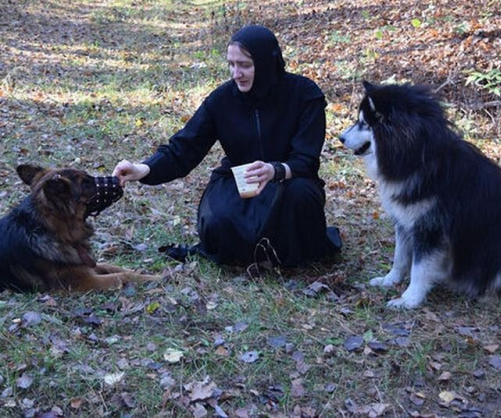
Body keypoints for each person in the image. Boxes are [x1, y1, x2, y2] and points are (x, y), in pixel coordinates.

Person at [113, 25, 341, 268]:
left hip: (290, 179)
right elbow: (184, 147)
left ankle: (277, 253)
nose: (236, 73)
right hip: (239, 181)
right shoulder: (221, 100)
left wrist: (274, 170)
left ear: (266, 63)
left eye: (244, 65)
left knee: (299, 201)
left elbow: (306, 159)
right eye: (231, 64)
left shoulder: (304, 95)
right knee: (216, 222)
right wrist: (143, 169)